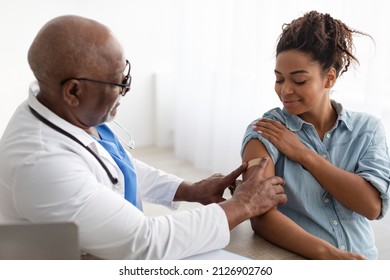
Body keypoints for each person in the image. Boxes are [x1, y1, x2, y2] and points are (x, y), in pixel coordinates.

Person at [0, 15, 287, 260]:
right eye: (119, 82)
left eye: (126, 74)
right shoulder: (41, 163)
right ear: (74, 92)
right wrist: (242, 204)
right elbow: (144, 242)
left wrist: (189, 190)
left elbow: (113, 166)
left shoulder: (59, 109)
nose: (127, 88)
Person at [241, 10, 390, 260]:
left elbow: (372, 206)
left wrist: (304, 155)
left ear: (329, 77)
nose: (285, 90)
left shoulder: (367, 129)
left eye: (299, 81)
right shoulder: (266, 130)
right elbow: (260, 215)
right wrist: (329, 255)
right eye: (279, 79)